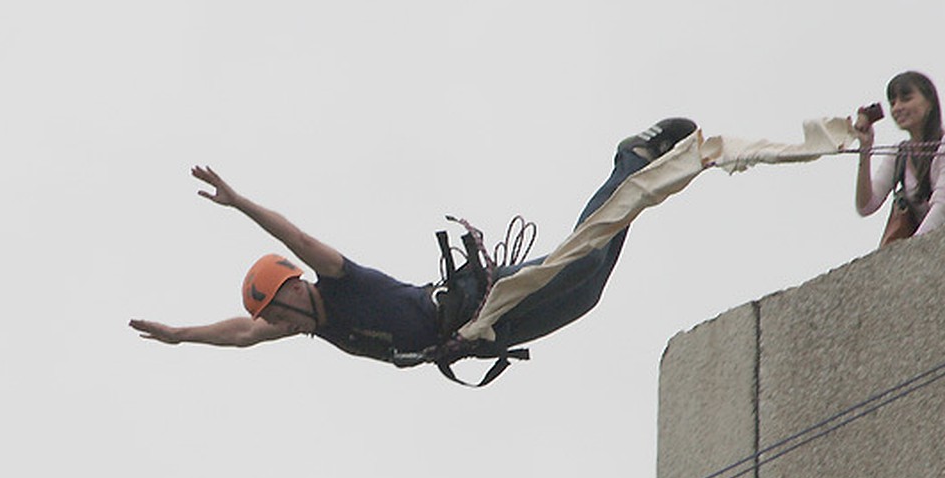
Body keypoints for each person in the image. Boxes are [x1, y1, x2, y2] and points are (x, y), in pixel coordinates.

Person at [130, 118, 697, 380]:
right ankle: (645, 183)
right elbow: (241, 334)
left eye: (277, 308)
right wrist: (181, 336)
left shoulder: (336, 280)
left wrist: (239, 202)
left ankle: (633, 161)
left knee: (584, 260)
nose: (277, 323)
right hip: (481, 338)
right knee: (589, 292)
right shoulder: (312, 323)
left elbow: (294, 238)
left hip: (479, 302)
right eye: (273, 317)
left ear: (295, 286)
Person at [852, 71, 945, 246]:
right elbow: (866, 206)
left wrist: (912, 250)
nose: (897, 107)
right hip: (927, 246)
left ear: (929, 102)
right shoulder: (899, 154)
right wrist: (865, 149)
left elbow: (943, 205)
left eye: (906, 99)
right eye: (893, 102)